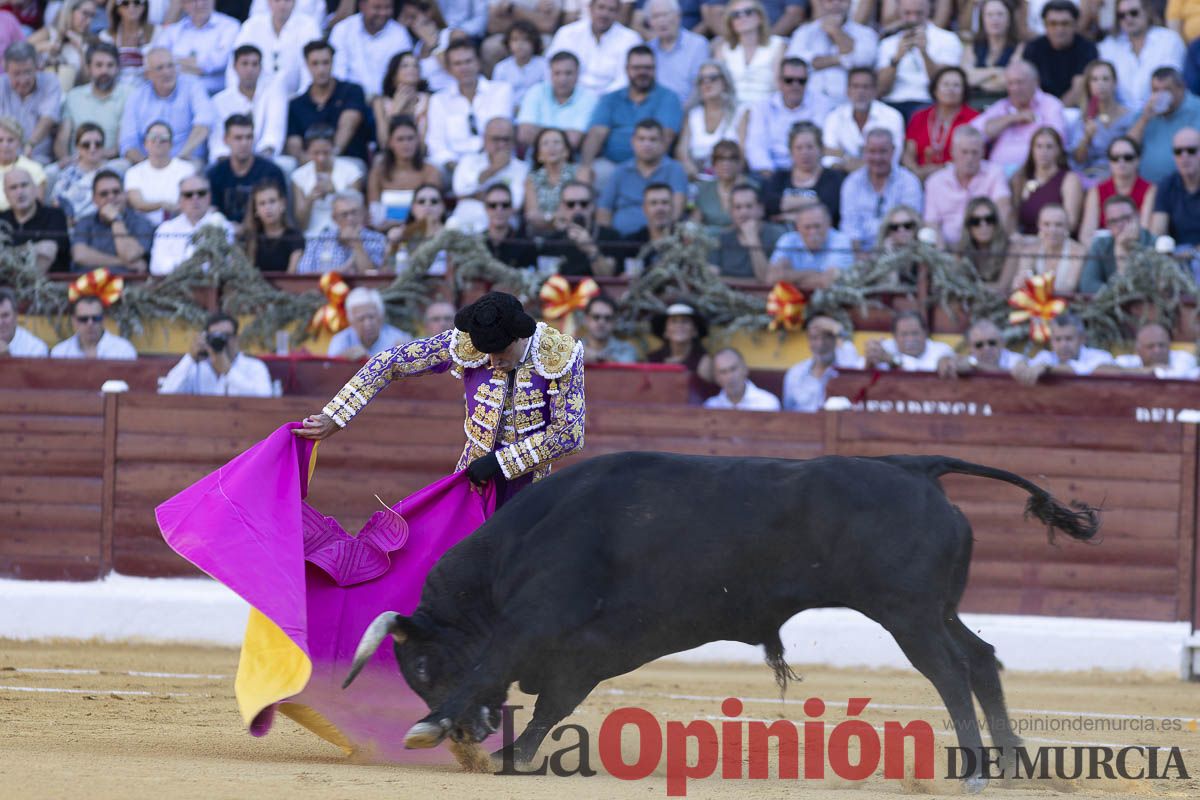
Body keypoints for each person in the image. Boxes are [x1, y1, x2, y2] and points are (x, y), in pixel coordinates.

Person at [295, 291, 586, 502]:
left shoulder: (561, 354)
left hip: (533, 486)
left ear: (520, 337)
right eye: (487, 353)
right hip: (474, 480)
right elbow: (390, 362)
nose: (493, 361)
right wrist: (336, 415)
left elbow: (570, 433)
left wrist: (499, 462)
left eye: (500, 353)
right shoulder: (465, 342)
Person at [581, 46, 683, 190]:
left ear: (655, 69)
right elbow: (596, 134)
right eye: (636, 68)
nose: (642, 72)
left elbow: (666, 136)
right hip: (612, 164)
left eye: (647, 68)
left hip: (652, 165)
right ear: (627, 69)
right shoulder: (611, 98)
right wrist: (585, 166)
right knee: (593, 174)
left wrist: (640, 168)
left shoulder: (668, 98)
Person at [424, 39, 513, 174]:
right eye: (458, 64)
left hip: (493, 162)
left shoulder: (501, 91)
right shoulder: (439, 100)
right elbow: (436, 144)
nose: (464, 68)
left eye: (468, 61)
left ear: (478, 63)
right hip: (453, 167)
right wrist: (459, 170)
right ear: (449, 69)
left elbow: (501, 135)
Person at [117, 47, 214, 164]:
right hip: (146, 163)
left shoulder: (193, 86)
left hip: (186, 158)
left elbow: (203, 125)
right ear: (147, 74)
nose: (167, 72)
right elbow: (128, 142)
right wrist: (149, 166)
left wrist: (178, 159)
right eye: (160, 68)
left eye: (170, 66)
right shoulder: (137, 97)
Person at [970, 60, 1067, 174]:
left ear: (1035, 82)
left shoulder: (1050, 105)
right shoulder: (1002, 106)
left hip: (1034, 172)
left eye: (1020, 82)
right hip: (997, 175)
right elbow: (972, 134)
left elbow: (1058, 139)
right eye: (1010, 83)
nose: (1015, 88)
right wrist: (1012, 118)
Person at [596, 118, 687, 237]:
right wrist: (608, 237)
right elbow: (604, 209)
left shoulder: (675, 169)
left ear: (663, 143)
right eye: (641, 139)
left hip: (659, 240)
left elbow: (677, 210)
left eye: (653, 139)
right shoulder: (620, 171)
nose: (647, 144)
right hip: (622, 241)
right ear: (633, 142)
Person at [284, 40, 370, 166]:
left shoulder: (351, 91)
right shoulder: (297, 104)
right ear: (306, 65)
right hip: (309, 165)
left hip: (346, 161)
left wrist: (327, 159)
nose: (321, 69)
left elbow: (348, 126)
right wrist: (314, 162)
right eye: (315, 64)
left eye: (325, 63)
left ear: (332, 63)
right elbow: (294, 144)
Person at [875, 0, 963, 122]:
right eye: (907, 13)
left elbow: (944, 83)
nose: (913, 19)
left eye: (919, 13)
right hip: (892, 103)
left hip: (929, 102)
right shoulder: (887, 43)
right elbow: (881, 88)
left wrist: (924, 53)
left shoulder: (948, 39)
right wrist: (896, 58)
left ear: (928, 10)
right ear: (899, 12)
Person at [744, 57, 834, 174]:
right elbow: (756, 147)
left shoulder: (822, 105)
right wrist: (769, 175)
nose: (795, 85)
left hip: (810, 171)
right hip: (771, 172)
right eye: (789, 80)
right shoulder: (762, 107)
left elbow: (820, 145)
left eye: (801, 81)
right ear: (780, 82)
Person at [837, 128, 923, 251]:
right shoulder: (852, 183)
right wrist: (860, 261)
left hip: (900, 252)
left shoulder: (909, 182)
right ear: (864, 152)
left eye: (883, 151)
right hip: (860, 254)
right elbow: (850, 229)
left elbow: (909, 225)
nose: (877, 158)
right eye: (872, 151)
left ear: (893, 151)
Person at [924, 125, 1011, 245]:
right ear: (952, 152)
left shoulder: (994, 174)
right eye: (964, 152)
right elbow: (932, 223)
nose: (969, 158)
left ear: (982, 152)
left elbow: (1003, 209)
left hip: (985, 247)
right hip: (948, 249)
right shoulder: (935, 181)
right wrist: (942, 256)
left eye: (974, 152)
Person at [786, 0, 877, 107]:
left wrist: (836, 31)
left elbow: (863, 61)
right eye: (829, 1)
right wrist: (842, 59)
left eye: (841, 1)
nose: (836, 4)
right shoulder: (804, 32)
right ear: (821, 3)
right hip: (809, 104)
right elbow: (796, 64)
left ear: (850, 3)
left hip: (847, 104)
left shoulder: (865, 33)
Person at [1098, 0, 1187, 109]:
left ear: (1147, 12)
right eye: (1122, 15)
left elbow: (1172, 86)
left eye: (1134, 13)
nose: (1128, 18)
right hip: (1121, 119)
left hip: (1163, 115)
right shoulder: (1108, 46)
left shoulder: (1169, 40)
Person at [160, 311, 273, 396]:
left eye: (225, 336)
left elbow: (265, 397)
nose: (220, 341)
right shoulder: (197, 367)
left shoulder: (254, 366)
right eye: (215, 336)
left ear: (236, 339)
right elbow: (166, 393)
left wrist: (229, 372)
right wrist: (190, 358)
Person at [227, 0, 321, 102]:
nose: (282, 5)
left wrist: (303, 101)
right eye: (277, 1)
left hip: (295, 100)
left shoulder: (308, 25)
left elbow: (311, 67)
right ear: (269, 2)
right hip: (255, 99)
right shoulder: (252, 25)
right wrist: (237, 99)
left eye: (287, 1)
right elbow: (236, 62)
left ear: (295, 3)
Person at [209, 44, 287, 163]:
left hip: (264, 160)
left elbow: (274, 132)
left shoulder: (274, 93)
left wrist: (256, 164)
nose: (250, 69)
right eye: (245, 64)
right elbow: (217, 142)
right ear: (235, 67)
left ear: (260, 68)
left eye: (254, 64)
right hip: (229, 162)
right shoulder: (219, 101)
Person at [448, 117, 528, 231]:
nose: (501, 144)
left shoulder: (522, 168)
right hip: (466, 219)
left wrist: (475, 196)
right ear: (484, 139)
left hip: (502, 226)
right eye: (496, 139)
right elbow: (460, 191)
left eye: (506, 139)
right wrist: (493, 170)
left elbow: (516, 203)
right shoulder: (468, 161)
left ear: (514, 142)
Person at [206, 113, 286, 226]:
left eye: (249, 137)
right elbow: (212, 211)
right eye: (238, 138)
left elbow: (280, 212)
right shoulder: (215, 173)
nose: (244, 143)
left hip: (262, 234)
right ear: (226, 140)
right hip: (225, 235)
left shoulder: (271, 172)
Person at [55, 42, 128, 164]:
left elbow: (122, 144)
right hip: (76, 164)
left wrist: (92, 155)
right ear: (89, 68)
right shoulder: (74, 96)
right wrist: (66, 160)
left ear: (117, 68)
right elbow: (62, 139)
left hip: (110, 162)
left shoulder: (128, 95)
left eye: (110, 65)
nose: (104, 70)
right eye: (98, 65)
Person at [821, 67, 905, 173]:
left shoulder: (892, 116)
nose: (860, 92)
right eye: (855, 86)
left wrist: (844, 157)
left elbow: (892, 159)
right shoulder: (834, 117)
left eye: (866, 87)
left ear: (875, 91)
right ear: (847, 91)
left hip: (882, 176)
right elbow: (828, 158)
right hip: (841, 175)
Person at [901, 65, 978, 181]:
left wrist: (939, 170)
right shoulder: (920, 116)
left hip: (957, 178)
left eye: (956, 85)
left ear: (964, 91)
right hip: (918, 178)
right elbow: (908, 153)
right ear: (935, 90)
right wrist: (916, 172)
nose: (950, 89)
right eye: (945, 84)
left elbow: (973, 155)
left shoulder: (974, 118)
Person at [149, 174, 234, 275]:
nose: (195, 198)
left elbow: (224, 263)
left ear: (209, 197)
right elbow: (156, 266)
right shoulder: (166, 229)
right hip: (172, 287)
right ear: (180, 200)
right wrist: (194, 266)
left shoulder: (222, 226)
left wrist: (179, 266)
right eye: (188, 194)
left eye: (201, 193)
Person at [762, 121, 845, 225]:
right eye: (799, 148)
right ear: (791, 151)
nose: (804, 153)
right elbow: (770, 205)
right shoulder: (779, 177)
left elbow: (829, 209)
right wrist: (814, 200)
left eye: (810, 147)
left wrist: (790, 214)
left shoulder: (833, 177)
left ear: (821, 149)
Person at [72, 169, 156, 272]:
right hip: (90, 284)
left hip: (128, 285)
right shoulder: (85, 222)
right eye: (104, 194)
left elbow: (130, 254)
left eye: (116, 192)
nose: (111, 197)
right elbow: (80, 255)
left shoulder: (141, 222)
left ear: (125, 195)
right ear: (94, 199)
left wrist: (116, 220)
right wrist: (122, 262)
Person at [674, 61, 746, 181]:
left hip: (730, 181)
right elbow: (682, 152)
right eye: (702, 80)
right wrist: (692, 172)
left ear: (725, 82)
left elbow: (742, 152)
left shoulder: (741, 112)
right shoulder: (693, 115)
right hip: (697, 180)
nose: (707, 83)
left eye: (713, 78)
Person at [1066, 60, 1135, 184]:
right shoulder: (1083, 119)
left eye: (1105, 79)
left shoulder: (1129, 116)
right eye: (1095, 79)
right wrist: (1087, 138)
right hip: (1090, 176)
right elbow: (1078, 160)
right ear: (1089, 85)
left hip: (1122, 175)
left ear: (1114, 83)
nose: (1100, 84)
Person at [1078, 135, 1155, 244]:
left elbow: (1144, 232)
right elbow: (1086, 235)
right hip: (1103, 253)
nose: (1121, 162)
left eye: (1127, 157)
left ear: (1137, 160)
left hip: (1135, 251)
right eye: (1115, 158)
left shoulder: (1149, 190)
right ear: (1109, 162)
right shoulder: (1096, 192)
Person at [1129, 67, 1200, 185]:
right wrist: (1144, 119)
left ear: (1181, 88)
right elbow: (1127, 147)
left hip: (1187, 188)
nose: (1160, 95)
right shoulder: (1145, 113)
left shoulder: (1197, 108)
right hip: (1149, 188)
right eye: (1156, 90)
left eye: (1166, 90)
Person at [328, 0, 413, 98]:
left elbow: (404, 77)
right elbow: (338, 74)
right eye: (377, 8)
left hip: (389, 102)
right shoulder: (342, 30)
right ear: (362, 6)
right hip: (350, 100)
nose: (383, 13)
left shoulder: (400, 34)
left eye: (388, 8)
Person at [516, 51, 598, 152]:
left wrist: (539, 132)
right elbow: (524, 135)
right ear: (550, 74)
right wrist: (563, 135)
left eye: (568, 73)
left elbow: (573, 140)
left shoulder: (589, 97)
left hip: (571, 161)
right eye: (557, 73)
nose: (562, 79)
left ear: (578, 74)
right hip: (536, 160)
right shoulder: (536, 91)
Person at [536, 180, 622, 276]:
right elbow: (546, 279)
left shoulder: (610, 237)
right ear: (562, 207)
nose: (577, 208)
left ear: (592, 206)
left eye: (584, 203)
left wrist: (590, 248)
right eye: (570, 204)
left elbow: (608, 277)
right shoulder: (552, 241)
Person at [293, 123, 365, 237]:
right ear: (307, 152)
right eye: (316, 153)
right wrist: (310, 200)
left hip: (345, 235)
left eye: (326, 153)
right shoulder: (299, 176)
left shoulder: (351, 172)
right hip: (312, 236)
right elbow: (301, 224)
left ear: (333, 148)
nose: (321, 158)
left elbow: (357, 214)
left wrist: (335, 192)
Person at [781, 313, 863, 412]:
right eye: (815, 338)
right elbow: (787, 413)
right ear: (808, 341)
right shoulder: (795, 373)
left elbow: (852, 358)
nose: (821, 344)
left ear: (835, 340)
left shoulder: (845, 366)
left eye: (826, 337)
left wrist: (837, 329)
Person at [154, 0, 239, 95]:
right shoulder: (173, 31)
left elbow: (219, 62)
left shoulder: (230, 26)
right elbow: (157, 60)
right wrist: (199, 67)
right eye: (193, 1)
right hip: (176, 94)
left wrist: (174, 63)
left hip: (214, 94)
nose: (200, 4)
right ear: (183, 4)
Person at [1022, 1, 1098, 107]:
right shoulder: (1033, 48)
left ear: (1075, 24)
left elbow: (1079, 88)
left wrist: (1055, 112)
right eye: (1053, 23)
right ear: (1045, 25)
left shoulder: (1087, 48)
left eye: (1065, 23)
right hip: (1039, 108)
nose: (1059, 29)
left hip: (1073, 110)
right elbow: (1028, 85)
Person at [1011, 126, 1083, 235]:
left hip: (1056, 242)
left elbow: (1071, 223)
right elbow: (1013, 218)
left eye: (1049, 147)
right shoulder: (1021, 178)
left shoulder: (1069, 179)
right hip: (1026, 243)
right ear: (1032, 149)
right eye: (1038, 146)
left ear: (1058, 150)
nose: (1043, 152)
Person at [713, 0, 787, 107]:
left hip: (767, 107)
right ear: (731, 22)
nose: (742, 17)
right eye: (736, 15)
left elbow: (779, 86)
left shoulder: (777, 45)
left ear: (760, 17)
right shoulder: (723, 49)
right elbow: (719, 87)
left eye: (748, 12)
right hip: (731, 108)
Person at [1078, 194, 1156, 292]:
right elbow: (1088, 286)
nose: (1120, 225)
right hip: (1110, 306)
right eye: (1113, 221)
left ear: (1137, 217)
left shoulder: (1155, 244)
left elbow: (1158, 286)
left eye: (1125, 218)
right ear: (1108, 226)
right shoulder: (1100, 245)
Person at [0, 42, 62, 165]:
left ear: (37, 67)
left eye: (28, 72)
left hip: (38, 159)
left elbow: (48, 118)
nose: (23, 80)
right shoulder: (1, 85)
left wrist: (30, 144)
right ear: (6, 70)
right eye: (16, 74)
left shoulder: (50, 81)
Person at [297, 189, 387, 274]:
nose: (350, 218)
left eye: (354, 212)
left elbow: (371, 276)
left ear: (363, 213)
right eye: (344, 214)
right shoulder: (320, 239)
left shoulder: (377, 239)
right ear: (334, 218)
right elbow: (304, 272)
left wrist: (357, 245)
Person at [123, 120, 196, 225]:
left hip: (178, 224)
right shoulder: (133, 172)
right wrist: (162, 205)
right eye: (153, 137)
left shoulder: (186, 169)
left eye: (163, 138)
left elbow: (188, 201)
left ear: (171, 144)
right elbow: (137, 203)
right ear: (145, 143)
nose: (158, 142)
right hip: (143, 227)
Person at [768, 199, 853, 287]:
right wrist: (814, 273)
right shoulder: (787, 240)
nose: (812, 232)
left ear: (829, 224)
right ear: (797, 227)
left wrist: (789, 277)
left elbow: (829, 282)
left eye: (817, 226)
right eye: (807, 227)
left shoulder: (841, 241)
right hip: (792, 299)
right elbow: (772, 277)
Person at [1012, 312, 1114, 383]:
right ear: (1051, 341)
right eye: (1058, 339)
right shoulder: (1045, 357)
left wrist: (1048, 369)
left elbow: (1080, 372)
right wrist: (1022, 364)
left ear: (1082, 339)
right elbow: (1029, 369)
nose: (1063, 345)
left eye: (1069, 339)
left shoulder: (1101, 357)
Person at [1, 168, 70, 272]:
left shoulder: (54, 215)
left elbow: (47, 251)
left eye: (24, 185)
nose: (19, 192)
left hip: (49, 283)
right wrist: (33, 249)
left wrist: (9, 254)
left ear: (35, 189)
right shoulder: (2, 219)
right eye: (13, 188)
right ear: (6, 194)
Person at [645, 0, 709, 106]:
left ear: (678, 16)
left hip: (689, 110)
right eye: (655, 16)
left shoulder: (698, 45)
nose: (661, 21)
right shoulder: (647, 49)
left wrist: (681, 112)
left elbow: (699, 87)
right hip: (655, 113)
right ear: (649, 23)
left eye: (665, 14)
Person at [647, 301, 716, 398]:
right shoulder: (653, 360)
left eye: (685, 321)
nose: (679, 325)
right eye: (674, 321)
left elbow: (708, 398)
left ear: (695, 331)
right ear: (666, 331)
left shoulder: (704, 362)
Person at [523, 127, 584, 234]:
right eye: (545, 143)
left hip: (574, 231)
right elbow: (532, 216)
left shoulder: (580, 173)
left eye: (556, 142)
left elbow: (580, 210)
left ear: (566, 151)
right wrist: (557, 218)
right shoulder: (531, 179)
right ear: (539, 155)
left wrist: (547, 218)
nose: (551, 147)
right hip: (541, 234)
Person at [1012, 203, 1086, 292]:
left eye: (1058, 225)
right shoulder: (1030, 251)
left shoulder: (1078, 251)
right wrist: (1020, 282)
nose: (1052, 230)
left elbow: (1069, 287)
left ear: (1067, 227)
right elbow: (1019, 282)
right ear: (1039, 225)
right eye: (1046, 224)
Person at [28, 0, 98, 93]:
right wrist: (44, 47)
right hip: (41, 93)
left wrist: (80, 50)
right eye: (85, 13)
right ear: (70, 11)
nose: (89, 21)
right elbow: (18, 52)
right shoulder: (49, 33)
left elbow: (87, 82)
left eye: (92, 16)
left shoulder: (91, 42)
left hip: (70, 96)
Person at [961, 0, 1022, 105]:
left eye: (1000, 14)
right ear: (982, 19)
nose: (995, 19)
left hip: (1007, 103)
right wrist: (997, 71)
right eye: (989, 15)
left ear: (1009, 20)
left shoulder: (1020, 47)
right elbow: (965, 78)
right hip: (975, 102)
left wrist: (979, 78)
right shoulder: (972, 46)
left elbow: (1011, 80)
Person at [327, 286, 413, 358]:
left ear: (381, 317)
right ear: (351, 322)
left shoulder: (398, 339)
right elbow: (329, 371)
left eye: (371, 317)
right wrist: (343, 358)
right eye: (361, 319)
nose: (367, 324)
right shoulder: (340, 341)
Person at [49, 123, 109, 223]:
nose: (92, 149)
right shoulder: (67, 174)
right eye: (86, 145)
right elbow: (56, 201)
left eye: (97, 144)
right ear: (78, 147)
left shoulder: (111, 172)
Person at [1150, 127, 1200, 248]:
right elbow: (1158, 231)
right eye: (1178, 151)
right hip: (1175, 256)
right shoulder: (1167, 185)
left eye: (1191, 150)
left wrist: (1193, 253)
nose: (1184, 156)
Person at [958, 196, 1020, 291]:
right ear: (968, 226)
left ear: (996, 223)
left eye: (989, 219)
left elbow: (1002, 288)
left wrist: (970, 288)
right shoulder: (961, 250)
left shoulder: (1011, 248)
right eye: (976, 221)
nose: (983, 226)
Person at [240, 179, 303, 272]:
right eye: (262, 203)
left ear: (283, 204)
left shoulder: (295, 237)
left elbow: (292, 275)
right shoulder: (248, 238)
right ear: (256, 210)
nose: (268, 208)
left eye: (272, 201)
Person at [691, 138, 751, 234]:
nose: (726, 164)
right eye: (720, 159)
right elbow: (695, 222)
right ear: (713, 164)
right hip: (708, 242)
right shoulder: (704, 188)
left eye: (731, 159)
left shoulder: (751, 188)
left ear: (739, 163)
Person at [50, 295, 138, 359]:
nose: (90, 323)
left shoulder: (123, 350)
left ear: (103, 319)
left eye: (96, 318)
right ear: (74, 321)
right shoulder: (60, 352)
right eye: (84, 319)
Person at [372, 52, 430, 147]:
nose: (412, 69)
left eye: (415, 66)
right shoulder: (380, 102)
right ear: (394, 74)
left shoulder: (428, 99)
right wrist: (395, 111)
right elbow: (383, 142)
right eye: (405, 66)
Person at [864, 310, 954, 372]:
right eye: (904, 335)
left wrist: (893, 360)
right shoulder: (885, 348)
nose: (910, 340)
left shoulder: (942, 350)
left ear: (925, 333)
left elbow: (920, 373)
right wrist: (870, 362)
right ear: (895, 337)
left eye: (915, 333)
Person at [935, 317, 1024, 379]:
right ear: (970, 348)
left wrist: (975, 365)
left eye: (992, 343)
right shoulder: (969, 360)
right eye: (979, 345)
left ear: (1002, 344)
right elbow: (949, 361)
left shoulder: (1016, 360)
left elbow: (1012, 377)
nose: (986, 348)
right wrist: (945, 361)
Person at [1105, 321, 1198, 378]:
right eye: (1150, 346)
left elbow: (1170, 376)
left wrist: (1130, 372)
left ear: (1169, 345)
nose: (1157, 350)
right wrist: (1144, 371)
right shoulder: (1129, 360)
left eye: (1161, 345)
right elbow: (1100, 371)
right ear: (1138, 350)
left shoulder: (1184, 358)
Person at [493, 20, 547, 112]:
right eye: (515, 39)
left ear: (534, 42)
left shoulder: (544, 65)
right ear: (508, 43)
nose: (520, 44)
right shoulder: (501, 68)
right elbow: (498, 95)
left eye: (525, 40)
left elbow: (547, 93)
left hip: (538, 110)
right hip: (509, 110)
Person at [100, 0, 158, 87]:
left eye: (137, 2)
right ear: (117, 9)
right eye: (125, 3)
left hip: (148, 89)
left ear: (144, 6)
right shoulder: (106, 36)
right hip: (116, 91)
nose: (131, 7)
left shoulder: (158, 32)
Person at [704, 347, 781, 411]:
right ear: (716, 378)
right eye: (723, 372)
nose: (730, 376)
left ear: (745, 369)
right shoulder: (711, 406)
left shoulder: (767, 403)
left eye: (733, 369)